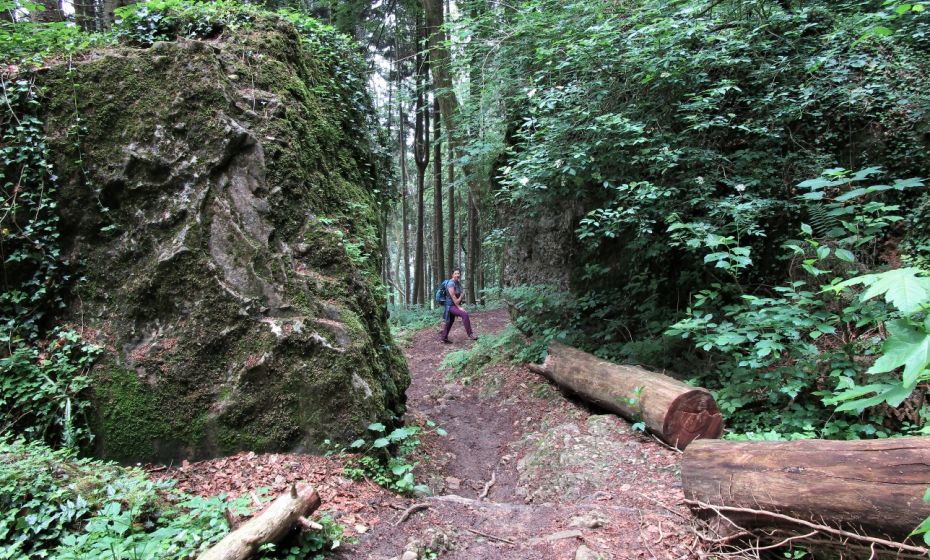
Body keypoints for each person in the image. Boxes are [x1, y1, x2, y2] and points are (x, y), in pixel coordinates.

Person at [439, 268, 478, 343]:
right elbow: (454, 297)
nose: (457, 275)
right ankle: (470, 334)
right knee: (464, 314)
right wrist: (459, 306)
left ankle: (444, 337)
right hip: (450, 306)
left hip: (454, 305)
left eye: (458, 273)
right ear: (452, 275)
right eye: (456, 273)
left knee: (450, 321)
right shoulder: (450, 283)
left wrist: (460, 299)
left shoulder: (457, 283)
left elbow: (458, 294)